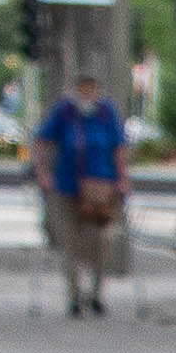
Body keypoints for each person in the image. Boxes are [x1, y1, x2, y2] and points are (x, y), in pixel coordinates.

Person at [40, 77, 128, 313]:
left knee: (101, 240)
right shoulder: (65, 113)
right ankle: (75, 296)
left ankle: (97, 294)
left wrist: (122, 180)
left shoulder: (107, 113)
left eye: (91, 90)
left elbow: (119, 148)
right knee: (71, 243)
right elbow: (42, 140)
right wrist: (43, 173)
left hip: (101, 189)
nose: (87, 94)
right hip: (67, 187)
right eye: (82, 89)